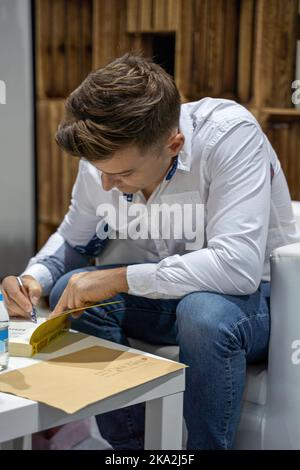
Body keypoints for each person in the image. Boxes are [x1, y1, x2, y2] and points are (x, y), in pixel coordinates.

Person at [2, 54, 300, 450]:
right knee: (72, 292)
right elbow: (74, 241)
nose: (106, 184)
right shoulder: (106, 158)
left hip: (260, 302)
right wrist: (32, 279)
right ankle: (133, 450)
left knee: (203, 312)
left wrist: (118, 278)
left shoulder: (230, 136)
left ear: (173, 144)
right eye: (99, 170)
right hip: (173, 297)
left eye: (122, 174)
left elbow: (237, 268)